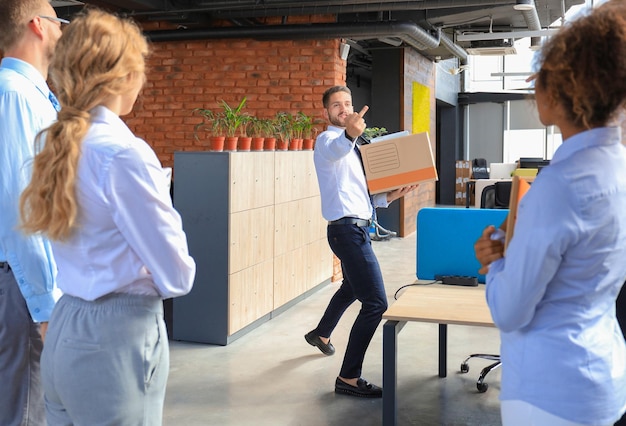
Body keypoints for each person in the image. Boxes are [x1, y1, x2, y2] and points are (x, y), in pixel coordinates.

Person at [19, 8, 196, 425]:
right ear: (125, 75)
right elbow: (178, 275)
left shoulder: (56, 146)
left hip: (67, 325)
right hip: (116, 338)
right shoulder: (123, 153)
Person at [474, 3, 626, 425]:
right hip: (603, 375)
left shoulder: (559, 186)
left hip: (549, 392)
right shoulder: (617, 167)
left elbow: (509, 310)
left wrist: (496, 263)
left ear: (561, 89)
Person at [305, 85, 417, 398]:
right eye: (336, 105)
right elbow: (336, 149)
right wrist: (351, 134)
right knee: (376, 303)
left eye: (347, 103)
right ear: (326, 112)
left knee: (352, 287)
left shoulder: (353, 149)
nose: (343, 109)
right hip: (346, 232)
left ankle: (321, 333)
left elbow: (357, 194)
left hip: (356, 227)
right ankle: (348, 378)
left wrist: (390, 197)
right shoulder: (329, 140)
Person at [0, 0, 65, 424]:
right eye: (58, 22)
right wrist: (45, 306)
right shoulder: (16, 97)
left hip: (25, 283)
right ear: (37, 26)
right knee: (26, 410)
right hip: (25, 288)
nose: (63, 31)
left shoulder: (30, 95)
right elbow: (22, 208)